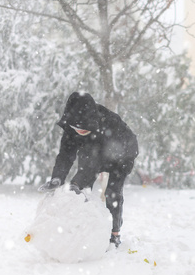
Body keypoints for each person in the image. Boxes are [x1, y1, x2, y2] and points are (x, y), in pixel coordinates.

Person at [39, 92, 139, 248]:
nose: (80, 131)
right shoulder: (71, 129)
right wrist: (57, 179)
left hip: (123, 155)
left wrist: (80, 180)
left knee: (112, 193)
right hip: (94, 152)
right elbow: (66, 155)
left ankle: (114, 233)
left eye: (85, 129)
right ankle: (78, 230)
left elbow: (92, 163)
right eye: (77, 128)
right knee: (78, 189)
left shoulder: (109, 122)